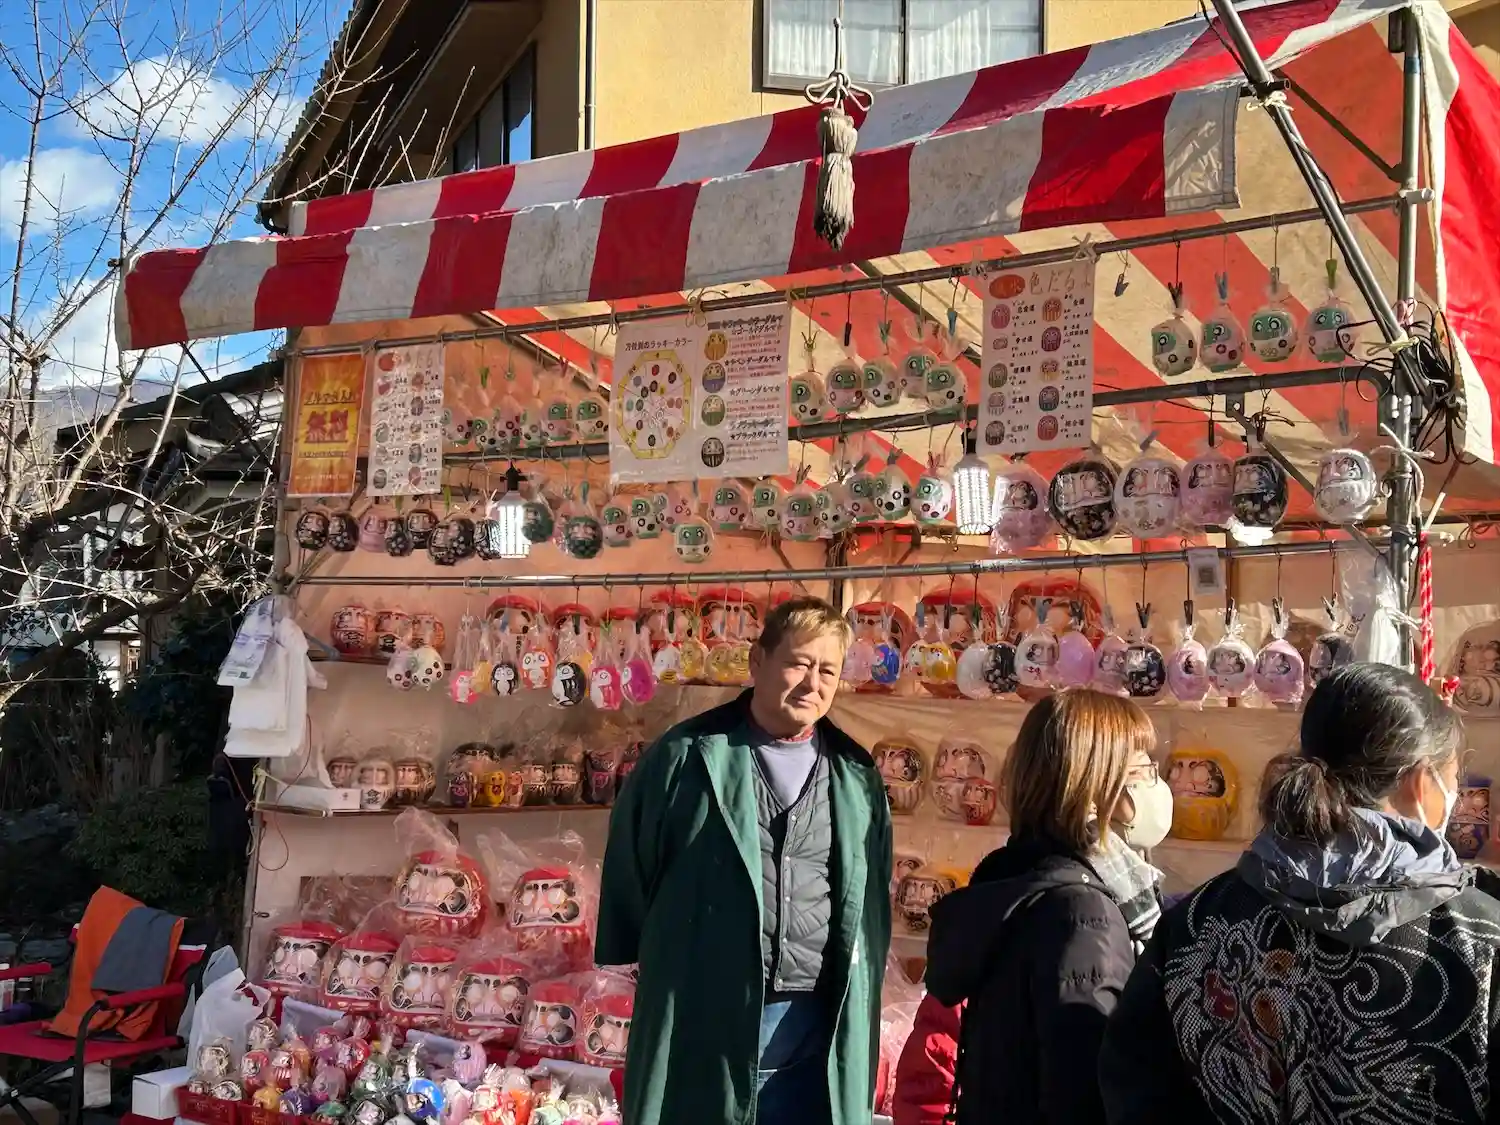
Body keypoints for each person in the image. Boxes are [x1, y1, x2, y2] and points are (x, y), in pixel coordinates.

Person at [1100, 663, 1500, 1125]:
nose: (1454, 795)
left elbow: (1136, 1085)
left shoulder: (1198, 921)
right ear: (1421, 782)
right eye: (1453, 778)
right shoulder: (1481, 936)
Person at [596, 595, 892, 1125]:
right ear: (758, 661)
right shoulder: (685, 757)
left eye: (828, 670)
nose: (813, 683)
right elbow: (631, 866)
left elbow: (870, 899)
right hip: (705, 1018)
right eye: (799, 663)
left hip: (815, 1029)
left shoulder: (856, 775)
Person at [923, 688, 1169, 1125]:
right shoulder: (1084, 911)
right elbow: (1085, 1088)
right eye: (1142, 770)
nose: (1156, 785)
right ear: (1094, 789)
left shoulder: (1013, 875)